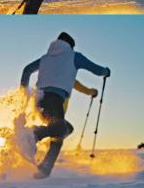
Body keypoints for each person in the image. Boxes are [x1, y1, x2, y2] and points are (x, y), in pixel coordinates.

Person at [18, 32, 110, 178]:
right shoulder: (74, 56)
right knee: (60, 129)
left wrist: (24, 90)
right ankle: (34, 134)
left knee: (63, 131)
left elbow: (27, 70)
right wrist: (106, 72)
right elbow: (98, 70)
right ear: (70, 46)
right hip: (53, 101)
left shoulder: (46, 59)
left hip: (39, 101)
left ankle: (44, 170)